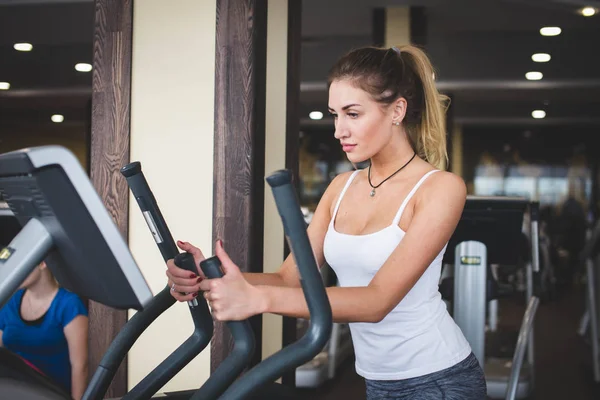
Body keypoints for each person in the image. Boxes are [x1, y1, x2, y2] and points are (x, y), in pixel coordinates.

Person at [166, 45, 487, 399]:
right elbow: (289, 278)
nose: (338, 130)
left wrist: (257, 298)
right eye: (335, 114)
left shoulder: (440, 188)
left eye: (352, 114)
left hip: (437, 379)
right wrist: (207, 275)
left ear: (397, 111)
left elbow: (376, 302)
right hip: (376, 379)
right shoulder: (340, 187)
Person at [0, 260, 89, 400]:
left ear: (42, 263)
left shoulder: (69, 304)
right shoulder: (13, 300)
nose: (15, 271)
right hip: (13, 387)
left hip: (49, 392)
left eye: (21, 264)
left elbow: (80, 366)